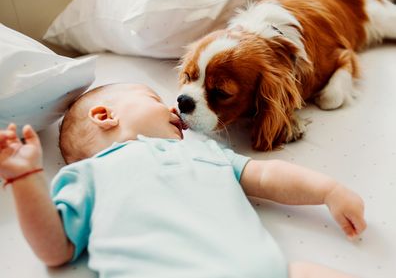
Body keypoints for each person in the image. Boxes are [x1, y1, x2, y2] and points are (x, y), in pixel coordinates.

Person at [0, 83, 366, 278]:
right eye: (153, 98)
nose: (175, 108)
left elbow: (267, 174)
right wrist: (26, 177)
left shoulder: (205, 151)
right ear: (104, 115)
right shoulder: (88, 175)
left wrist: (327, 190)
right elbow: (55, 249)